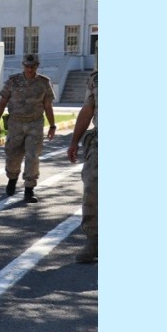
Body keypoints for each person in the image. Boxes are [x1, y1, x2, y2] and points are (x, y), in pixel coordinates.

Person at [0, 53, 56, 203]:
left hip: (35, 123)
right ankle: (12, 179)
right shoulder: (13, 81)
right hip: (15, 124)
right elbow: (2, 103)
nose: (30, 69)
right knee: (13, 156)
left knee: (33, 156)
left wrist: (52, 125)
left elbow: (48, 105)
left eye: (32, 67)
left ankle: (29, 188)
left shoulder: (44, 82)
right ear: (23, 66)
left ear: (37, 66)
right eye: (27, 66)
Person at [67, 70, 97, 263]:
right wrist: (74, 141)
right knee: (91, 186)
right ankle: (93, 240)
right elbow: (88, 109)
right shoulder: (97, 78)